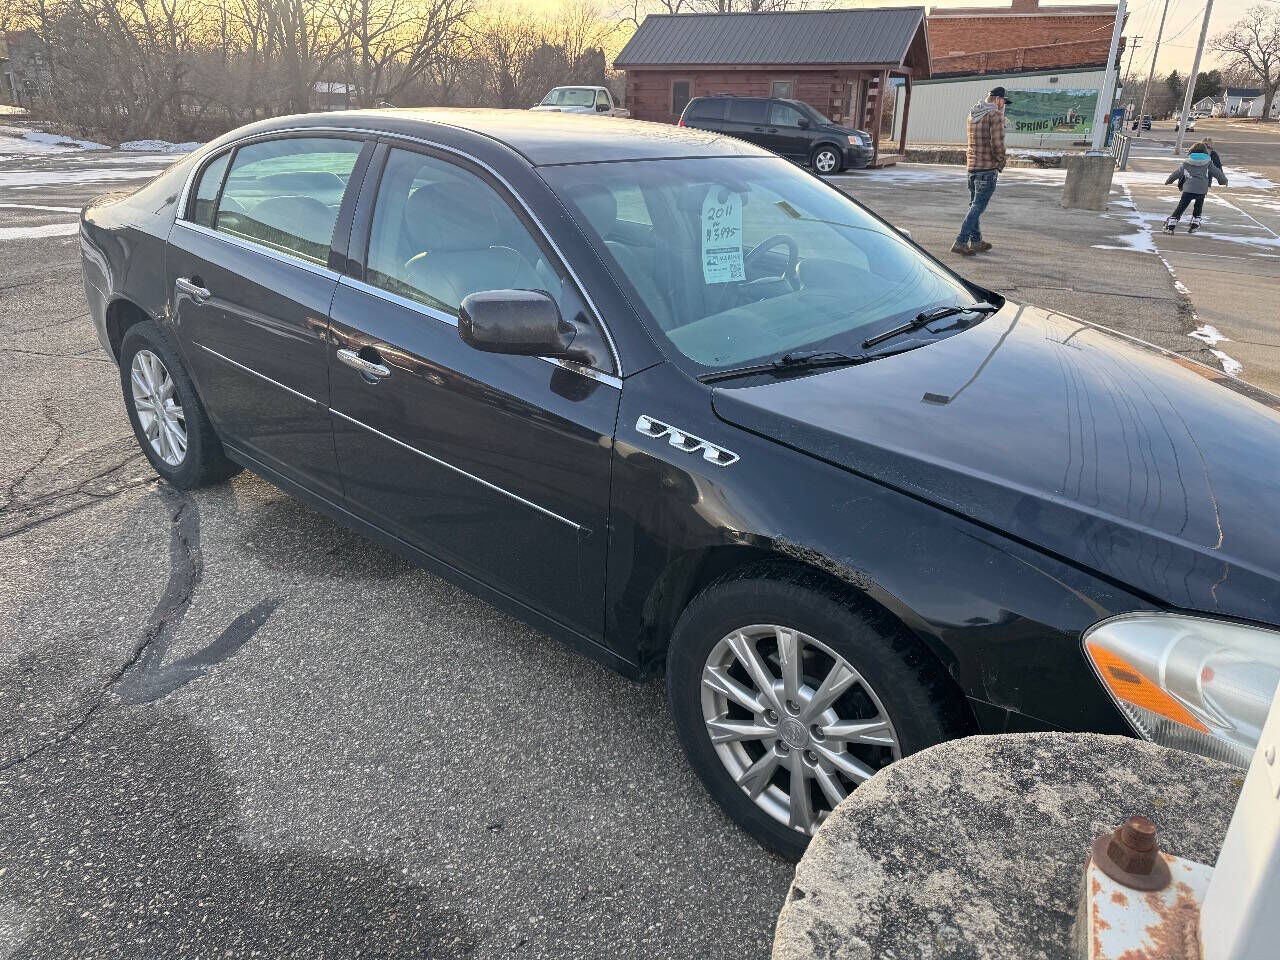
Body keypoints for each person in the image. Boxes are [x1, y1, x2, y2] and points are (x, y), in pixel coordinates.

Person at [953, 87, 1010, 256]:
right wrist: (1001, 162)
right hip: (987, 169)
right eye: (1004, 102)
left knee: (974, 205)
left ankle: (976, 241)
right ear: (998, 99)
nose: (1004, 106)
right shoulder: (995, 115)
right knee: (977, 206)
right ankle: (961, 241)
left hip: (972, 168)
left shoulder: (973, 114)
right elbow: (997, 144)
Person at [1164, 141, 1227, 235]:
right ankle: (1195, 223)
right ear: (1205, 151)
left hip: (1189, 189)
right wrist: (1223, 181)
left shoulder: (1187, 162)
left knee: (1181, 207)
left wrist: (1169, 181)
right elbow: (1217, 172)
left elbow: (1177, 173)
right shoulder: (1208, 162)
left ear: (1192, 151)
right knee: (1198, 205)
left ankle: (1171, 225)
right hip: (1202, 189)